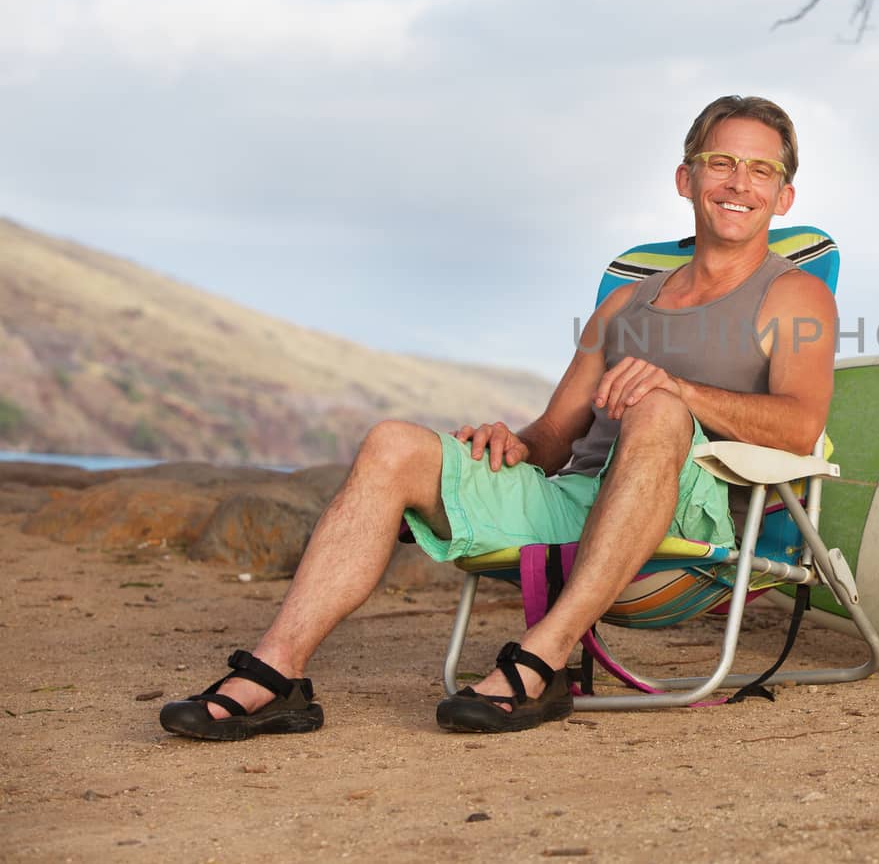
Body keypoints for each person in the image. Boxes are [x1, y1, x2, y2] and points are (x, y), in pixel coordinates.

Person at [158, 95, 837, 738]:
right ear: (687, 179)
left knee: (659, 409)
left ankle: (543, 657)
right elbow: (551, 440)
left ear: (784, 197)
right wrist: (509, 440)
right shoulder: (623, 305)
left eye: (760, 169)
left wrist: (681, 393)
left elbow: (800, 427)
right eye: (721, 162)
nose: (738, 182)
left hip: (693, 518)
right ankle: (278, 673)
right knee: (394, 443)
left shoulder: (793, 295)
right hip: (582, 502)